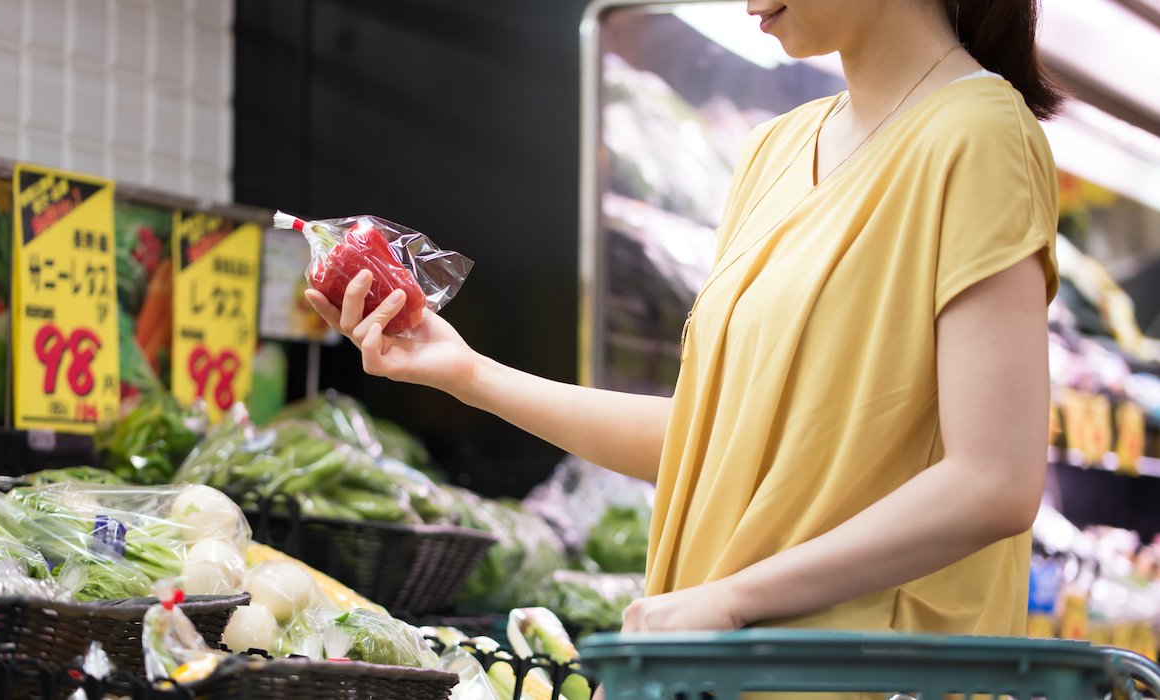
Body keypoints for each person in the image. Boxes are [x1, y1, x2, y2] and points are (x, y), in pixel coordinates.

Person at [306, 0, 1061, 640]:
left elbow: (991, 482)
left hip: (863, 667)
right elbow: (712, 442)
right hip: (722, 665)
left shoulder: (978, 133)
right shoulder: (776, 149)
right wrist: (469, 374)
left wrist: (731, 598)